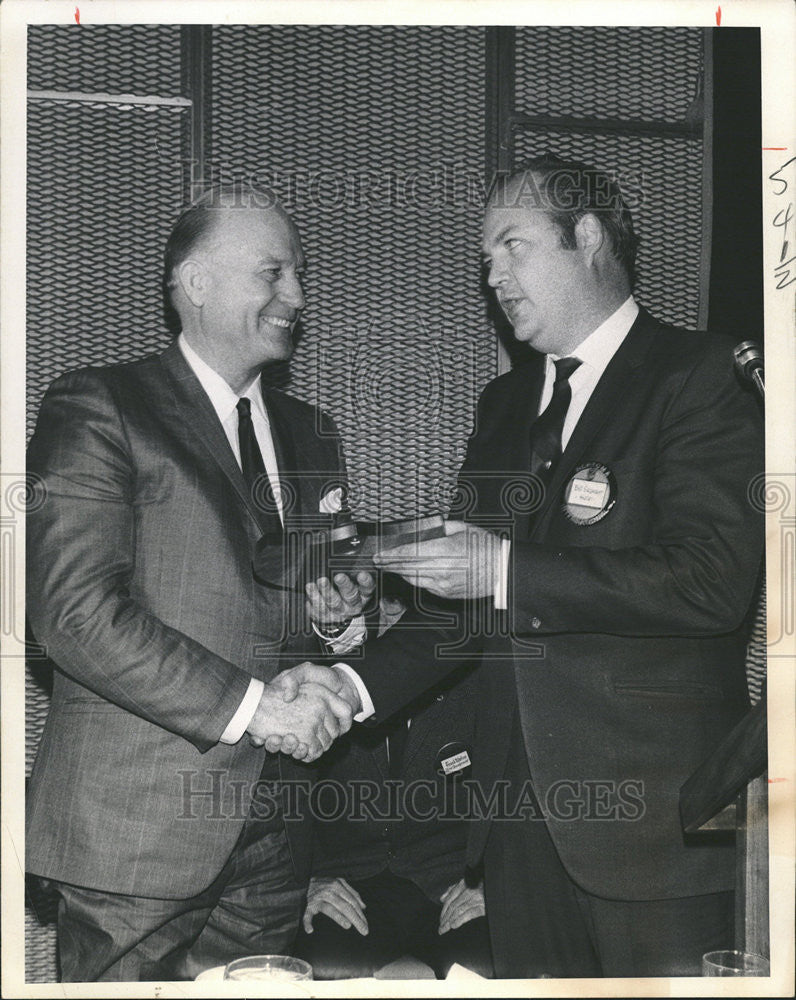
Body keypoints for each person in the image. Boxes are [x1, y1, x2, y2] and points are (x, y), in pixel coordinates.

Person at [275, 153, 765, 977]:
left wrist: (503, 567)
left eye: (511, 247)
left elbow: (710, 583)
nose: (493, 276)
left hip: (657, 830)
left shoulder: (702, 377)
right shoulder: (504, 405)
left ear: (587, 236)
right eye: (485, 259)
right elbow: (460, 600)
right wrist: (348, 687)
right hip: (511, 836)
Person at [25, 183, 369, 982]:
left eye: (301, 275)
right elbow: (71, 614)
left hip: (278, 833)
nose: (298, 296)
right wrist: (258, 711)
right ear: (196, 282)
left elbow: (321, 601)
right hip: (135, 832)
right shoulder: (101, 405)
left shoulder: (313, 433)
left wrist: (343, 619)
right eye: (274, 273)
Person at [293, 655, 494, 980]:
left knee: (479, 967)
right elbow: (286, 797)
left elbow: (516, 796)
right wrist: (311, 882)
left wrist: (490, 885)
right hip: (349, 881)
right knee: (324, 963)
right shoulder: (327, 676)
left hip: (451, 881)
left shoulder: (476, 672)